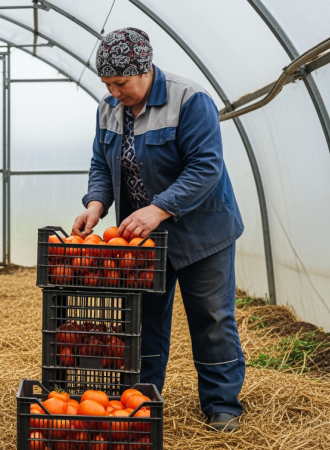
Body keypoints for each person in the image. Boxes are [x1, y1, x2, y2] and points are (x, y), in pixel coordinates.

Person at [72, 28, 245, 432]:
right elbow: (102, 164)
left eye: (121, 83)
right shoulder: (108, 109)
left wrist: (159, 208)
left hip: (203, 232)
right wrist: (96, 205)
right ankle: (144, 399)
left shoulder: (190, 100)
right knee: (144, 318)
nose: (115, 92)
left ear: (145, 69)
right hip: (143, 239)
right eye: (107, 84)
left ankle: (222, 404)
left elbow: (206, 168)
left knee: (211, 317)